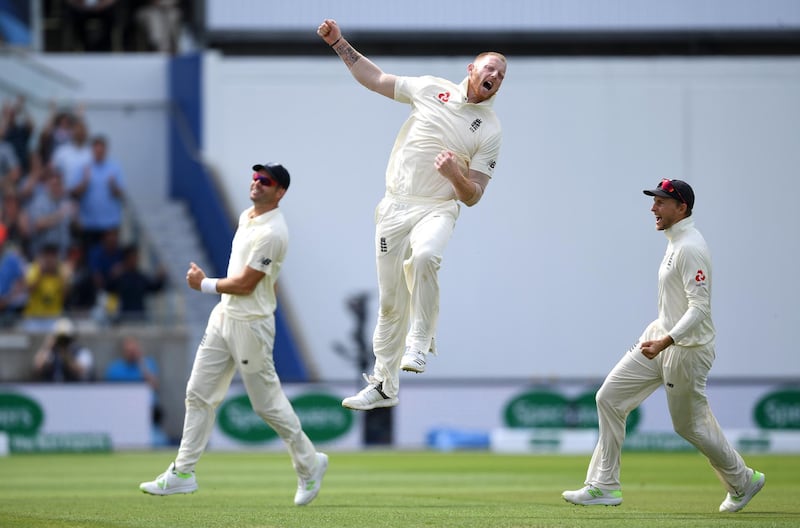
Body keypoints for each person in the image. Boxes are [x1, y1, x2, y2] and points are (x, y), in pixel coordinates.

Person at [316, 19, 506, 410]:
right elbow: (377, 78)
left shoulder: (490, 129)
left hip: (438, 207)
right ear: (471, 69)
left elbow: (473, 196)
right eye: (489, 68)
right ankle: (384, 386)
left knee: (425, 257)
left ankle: (419, 343)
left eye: (501, 75)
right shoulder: (430, 88)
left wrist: (455, 175)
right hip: (394, 206)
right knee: (389, 302)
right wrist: (338, 43)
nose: (495, 76)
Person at [562, 179, 765, 513]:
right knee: (608, 398)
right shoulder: (675, 241)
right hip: (659, 338)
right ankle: (603, 486)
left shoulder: (690, 247)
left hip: (686, 350)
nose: (653, 208)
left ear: (681, 207)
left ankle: (743, 480)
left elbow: (700, 309)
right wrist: (660, 335)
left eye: (661, 202)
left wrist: (668, 340)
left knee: (689, 425)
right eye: (654, 201)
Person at [139, 162, 328, 506]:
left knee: (266, 405)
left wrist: (203, 284)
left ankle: (310, 463)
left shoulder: (274, 233)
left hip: (251, 325)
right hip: (223, 317)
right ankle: (183, 472)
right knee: (198, 393)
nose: (256, 183)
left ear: (280, 192)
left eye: (265, 181)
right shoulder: (247, 217)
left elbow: (245, 284)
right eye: (255, 178)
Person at [105, 335, 168, 445]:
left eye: (133, 350)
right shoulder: (115, 368)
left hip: (148, 414)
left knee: (158, 441)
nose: (131, 353)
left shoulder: (147, 364)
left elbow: (154, 385)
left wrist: (141, 363)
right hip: (121, 413)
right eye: (128, 350)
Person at [32, 317, 94, 382]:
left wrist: (66, 355)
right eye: (60, 338)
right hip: (51, 389)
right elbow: (38, 367)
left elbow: (81, 371)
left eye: (65, 339)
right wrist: (47, 346)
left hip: (74, 389)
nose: (63, 342)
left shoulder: (81, 351)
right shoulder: (51, 352)